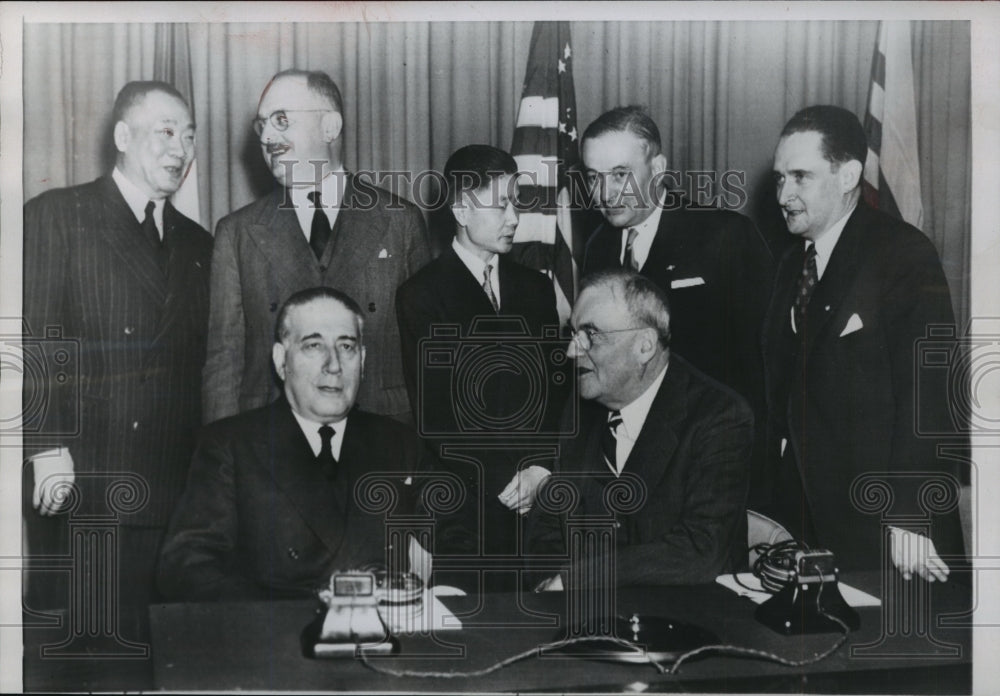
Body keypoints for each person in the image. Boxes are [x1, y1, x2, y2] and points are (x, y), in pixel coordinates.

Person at [22, 81, 212, 634]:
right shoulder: (58, 215)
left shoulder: (200, 245)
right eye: (166, 131)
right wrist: (47, 448)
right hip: (82, 481)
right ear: (123, 136)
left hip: (173, 492)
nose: (181, 148)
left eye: (190, 135)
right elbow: (34, 339)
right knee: (84, 651)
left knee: (162, 651)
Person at [763, 105, 965, 579]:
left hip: (887, 531)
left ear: (849, 174)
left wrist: (911, 518)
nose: (784, 194)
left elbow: (930, 393)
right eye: (779, 179)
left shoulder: (903, 254)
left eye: (800, 177)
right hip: (805, 525)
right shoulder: (790, 265)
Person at [159, 287, 423, 600]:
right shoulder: (229, 446)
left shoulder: (399, 442)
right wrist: (284, 620)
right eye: (313, 346)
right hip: (280, 640)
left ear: (362, 361)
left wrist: (446, 595)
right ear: (281, 360)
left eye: (347, 347)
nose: (334, 365)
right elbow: (186, 567)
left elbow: (464, 537)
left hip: (387, 638)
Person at [203, 69, 431, 426]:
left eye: (281, 120)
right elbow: (223, 363)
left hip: (379, 443)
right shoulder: (238, 232)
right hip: (273, 450)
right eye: (261, 125)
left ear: (330, 128)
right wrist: (222, 461)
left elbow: (426, 357)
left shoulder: (400, 222)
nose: (268, 137)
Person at [579, 105, 772, 505]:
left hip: (710, 454)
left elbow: (766, 358)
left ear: (659, 167)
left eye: (620, 174)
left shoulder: (724, 236)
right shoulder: (598, 247)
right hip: (631, 462)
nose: (605, 193)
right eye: (593, 177)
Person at [395, 145, 566, 587]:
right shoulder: (422, 295)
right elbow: (439, 415)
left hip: (540, 498)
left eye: (518, 203)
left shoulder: (536, 289)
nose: (514, 218)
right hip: (468, 504)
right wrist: (507, 481)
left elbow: (556, 387)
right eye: (502, 204)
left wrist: (540, 467)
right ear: (461, 207)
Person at [526, 269, 752, 590]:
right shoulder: (580, 408)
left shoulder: (720, 418)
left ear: (644, 346)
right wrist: (548, 585)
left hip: (695, 619)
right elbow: (549, 517)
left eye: (591, 335)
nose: (571, 351)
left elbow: (700, 552)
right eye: (573, 334)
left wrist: (574, 581)